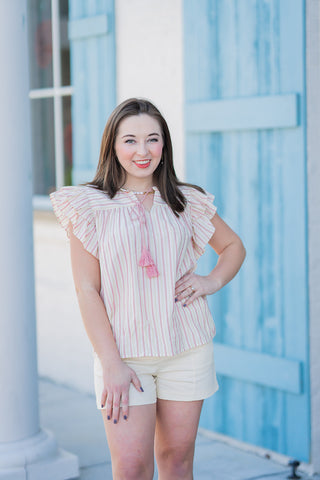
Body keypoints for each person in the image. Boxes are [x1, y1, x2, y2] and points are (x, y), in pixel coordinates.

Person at [50, 98, 246, 480]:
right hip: (124, 357)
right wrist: (111, 363)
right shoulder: (88, 205)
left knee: (177, 459)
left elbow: (233, 247)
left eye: (152, 139)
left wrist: (210, 282)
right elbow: (87, 290)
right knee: (132, 467)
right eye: (130, 140)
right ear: (113, 146)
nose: (143, 151)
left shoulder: (185, 200)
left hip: (186, 348)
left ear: (164, 145)